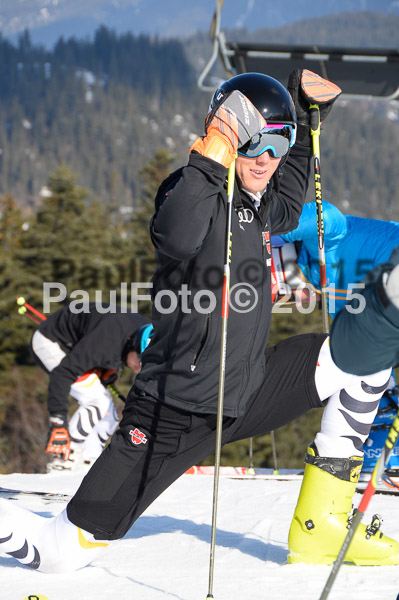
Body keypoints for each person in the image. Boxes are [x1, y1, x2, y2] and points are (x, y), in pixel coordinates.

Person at [1, 69, 399, 573]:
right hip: (173, 415)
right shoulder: (188, 192)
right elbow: (179, 236)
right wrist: (217, 148)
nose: (267, 159)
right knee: (59, 554)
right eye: (255, 142)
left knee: (363, 360)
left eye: (279, 145)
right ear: (225, 136)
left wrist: (306, 119)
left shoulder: (260, 206)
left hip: (249, 392)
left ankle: (322, 525)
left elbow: (293, 193)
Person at [271, 202, 399, 477]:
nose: (283, 296)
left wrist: (268, 227)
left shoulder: (318, 250)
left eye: (279, 288)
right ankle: (378, 457)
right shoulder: (319, 285)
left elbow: (326, 216)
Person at [30, 303, 152, 472]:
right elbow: (62, 374)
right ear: (134, 347)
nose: (139, 369)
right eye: (140, 362)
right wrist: (58, 422)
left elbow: (114, 345)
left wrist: (107, 367)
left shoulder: (142, 333)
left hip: (83, 343)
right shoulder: (106, 341)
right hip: (51, 342)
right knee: (97, 401)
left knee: (110, 415)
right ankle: (64, 460)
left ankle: (87, 463)